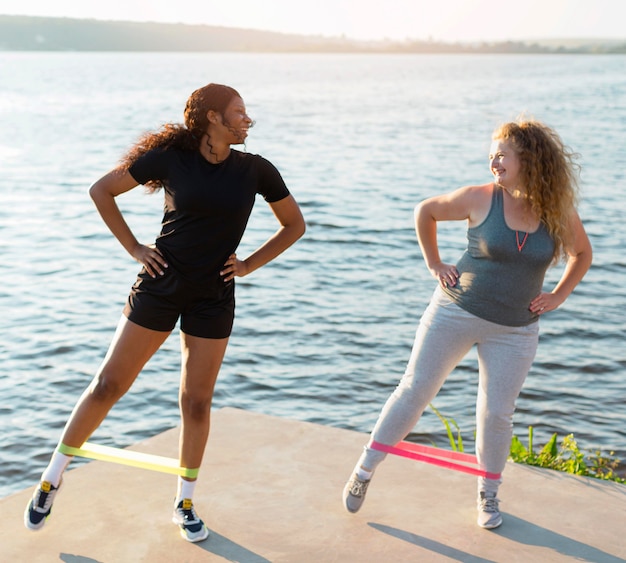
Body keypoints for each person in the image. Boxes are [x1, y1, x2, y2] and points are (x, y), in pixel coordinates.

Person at [24, 83, 305, 542]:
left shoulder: (256, 170)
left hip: (214, 294)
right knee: (108, 384)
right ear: (213, 117)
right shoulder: (171, 159)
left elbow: (294, 224)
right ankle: (52, 478)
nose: (246, 119)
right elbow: (102, 191)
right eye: (238, 112)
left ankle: (185, 502)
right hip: (161, 285)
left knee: (196, 402)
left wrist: (250, 263)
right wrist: (134, 247)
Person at [342, 118, 592, 529]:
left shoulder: (557, 210)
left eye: (501, 154)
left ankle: (488, 494)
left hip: (515, 328)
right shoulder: (480, 197)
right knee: (416, 389)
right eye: (491, 154)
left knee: (496, 413)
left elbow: (582, 254)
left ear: (527, 158)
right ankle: (365, 468)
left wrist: (559, 295)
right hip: (455, 311)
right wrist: (434, 263)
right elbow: (426, 211)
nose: (493, 161)